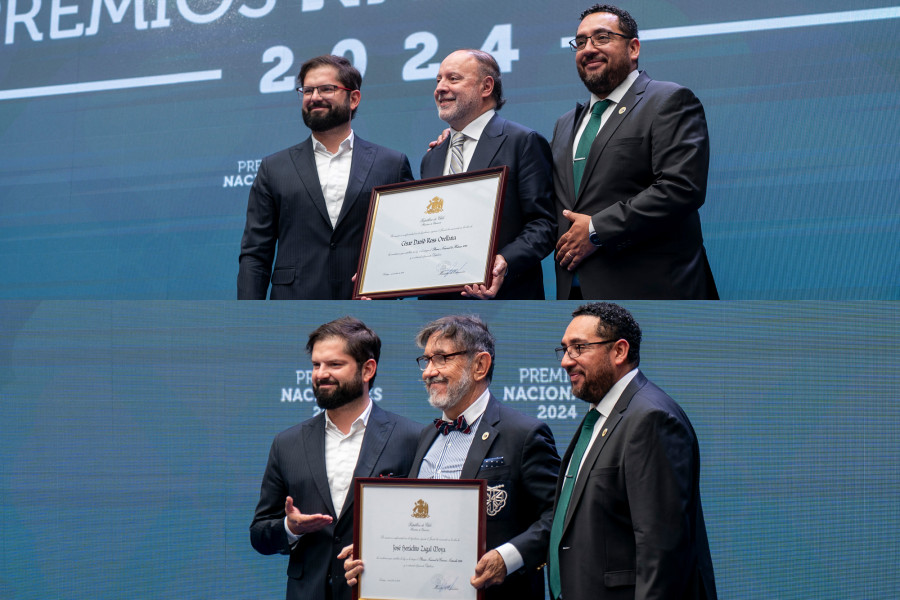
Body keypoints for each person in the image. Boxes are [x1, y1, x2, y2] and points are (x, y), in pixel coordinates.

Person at [342, 315, 560, 599]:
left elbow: (560, 515)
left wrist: (508, 558)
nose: (428, 372)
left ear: (480, 365)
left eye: (442, 358)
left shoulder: (524, 434)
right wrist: (369, 550)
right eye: (426, 360)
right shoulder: (426, 436)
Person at [548, 302, 717, 600]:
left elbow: (662, 550)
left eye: (578, 348)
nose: (566, 361)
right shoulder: (603, 416)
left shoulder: (651, 418)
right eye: (564, 349)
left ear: (619, 351)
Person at [551, 4, 718, 299]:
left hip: (654, 293)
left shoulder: (668, 100)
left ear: (633, 48)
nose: (588, 49)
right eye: (580, 42)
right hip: (574, 295)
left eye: (602, 38)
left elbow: (681, 188)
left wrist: (596, 228)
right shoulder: (565, 124)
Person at [250, 317, 421, 600]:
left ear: (368, 369)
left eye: (334, 365)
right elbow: (259, 534)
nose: (321, 374)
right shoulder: (287, 443)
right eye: (316, 365)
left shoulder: (412, 438)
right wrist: (289, 528)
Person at [238, 55, 413, 299]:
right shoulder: (274, 167)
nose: (315, 97)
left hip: (367, 308)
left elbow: (404, 243)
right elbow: (256, 253)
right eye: (307, 90)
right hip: (294, 306)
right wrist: (248, 317)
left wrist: (389, 290)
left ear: (354, 98)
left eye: (327, 89)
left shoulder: (391, 164)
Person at [420, 50, 556, 299]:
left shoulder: (522, 142)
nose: (440, 88)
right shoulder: (432, 156)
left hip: (504, 299)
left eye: (453, 78)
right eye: (438, 80)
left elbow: (544, 224)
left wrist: (505, 260)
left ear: (486, 86)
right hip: (437, 304)